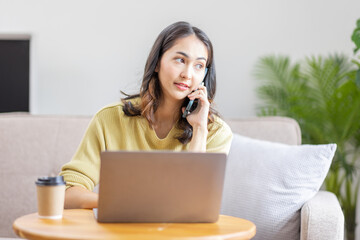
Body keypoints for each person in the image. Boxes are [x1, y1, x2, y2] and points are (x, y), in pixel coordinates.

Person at [59, 21, 233, 209]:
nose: (187, 74)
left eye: (199, 66)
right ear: (157, 62)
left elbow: (195, 204)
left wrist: (199, 129)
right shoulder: (110, 119)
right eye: (180, 60)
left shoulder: (215, 132)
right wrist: (125, 204)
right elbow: (68, 192)